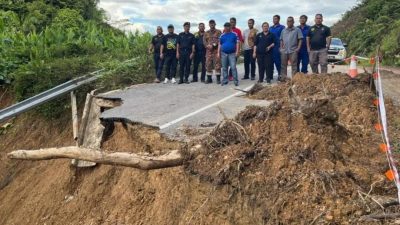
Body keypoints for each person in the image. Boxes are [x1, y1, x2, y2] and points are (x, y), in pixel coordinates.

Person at [280, 16, 303, 81]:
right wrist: (281, 48)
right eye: (288, 21)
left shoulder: (297, 30)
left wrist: (298, 48)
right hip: (284, 51)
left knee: (294, 66)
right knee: (283, 66)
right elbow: (281, 40)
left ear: (293, 22)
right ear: (286, 22)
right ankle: (284, 80)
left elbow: (300, 39)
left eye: (290, 21)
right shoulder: (283, 30)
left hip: (293, 51)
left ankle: (294, 80)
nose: (289, 22)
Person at [203, 19, 222, 84]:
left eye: (213, 23)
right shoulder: (206, 33)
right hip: (208, 52)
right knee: (208, 65)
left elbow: (220, 40)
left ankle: (218, 79)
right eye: (210, 23)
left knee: (217, 65)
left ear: (215, 24)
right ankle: (209, 79)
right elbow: (204, 41)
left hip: (216, 51)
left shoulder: (219, 32)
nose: (212, 24)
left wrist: (213, 46)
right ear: (209, 25)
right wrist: (207, 46)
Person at [269, 15, 285, 81]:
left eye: (275, 19)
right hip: (270, 47)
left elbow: (283, 37)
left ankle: (280, 75)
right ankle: (270, 75)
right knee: (270, 62)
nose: (274, 20)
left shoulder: (282, 27)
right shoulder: (270, 28)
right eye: (273, 19)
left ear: (279, 19)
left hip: (277, 47)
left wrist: (282, 47)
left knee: (278, 62)